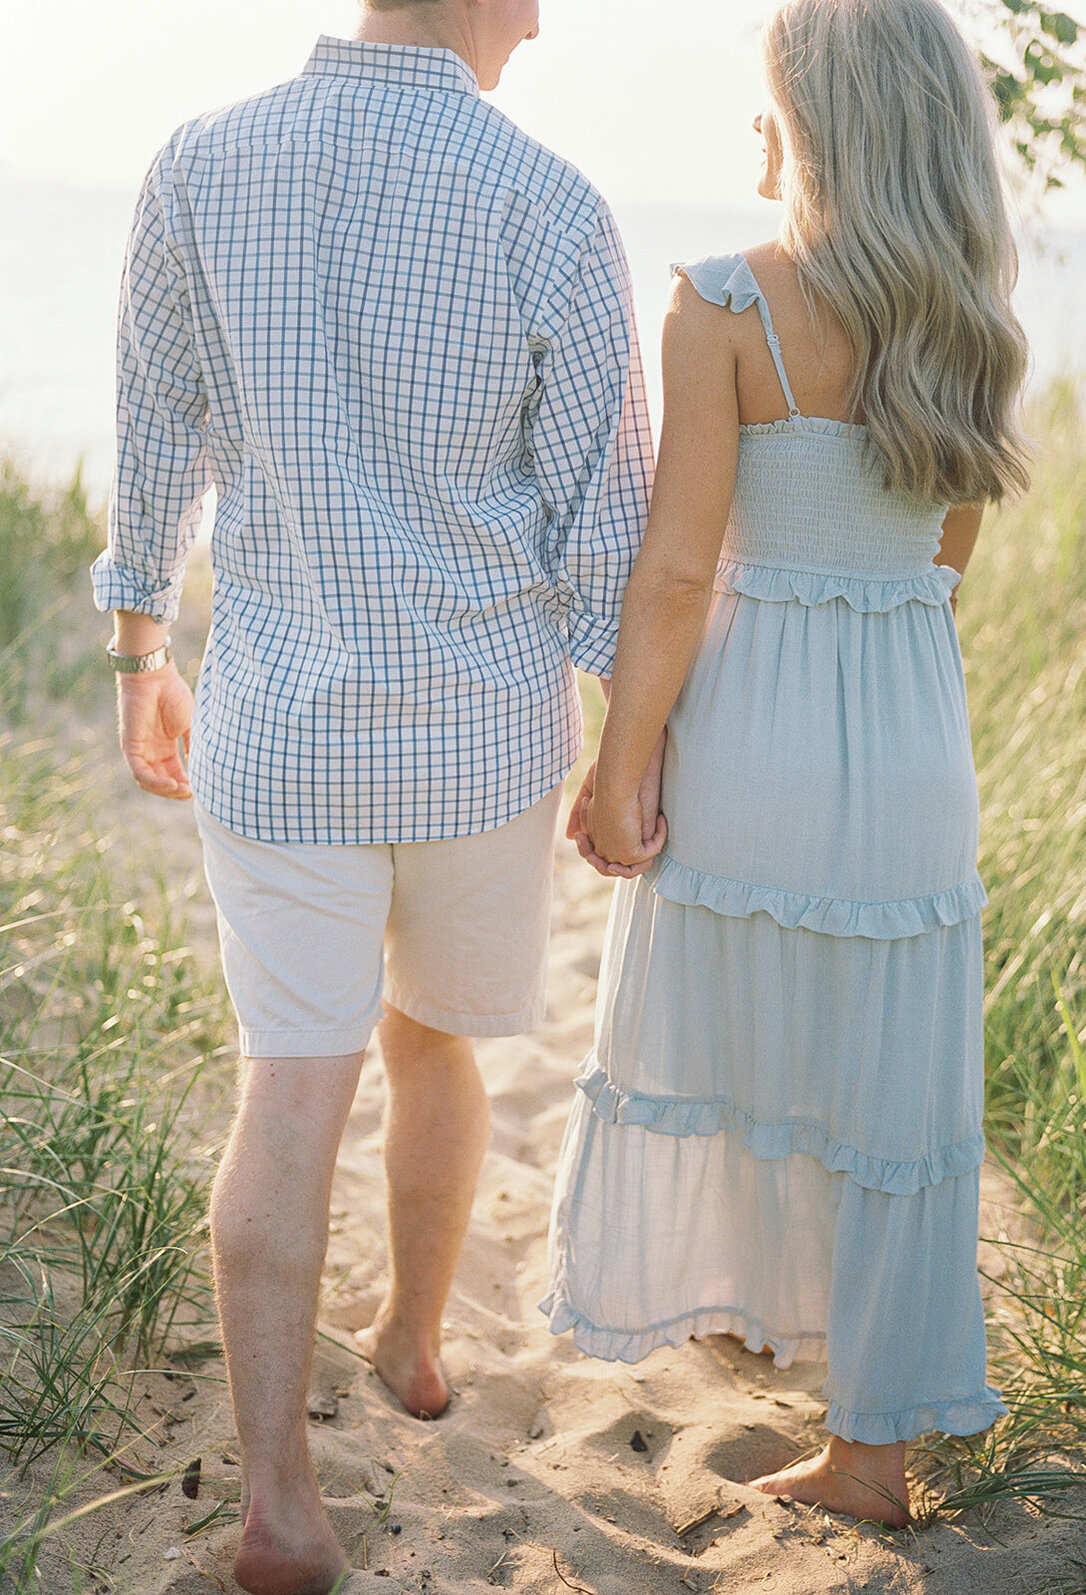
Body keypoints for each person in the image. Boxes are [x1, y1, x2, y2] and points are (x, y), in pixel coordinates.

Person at [91, 0, 653, 1588]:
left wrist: (143, 644)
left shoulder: (200, 162)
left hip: (277, 733)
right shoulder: (548, 199)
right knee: (436, 1050)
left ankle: (280, 1504)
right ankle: (411, 1343)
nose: (544, 23)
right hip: (481, 740)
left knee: (289, 1087)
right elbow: (602, 512)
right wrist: (627, 745)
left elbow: (153, 433)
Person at [542, 0, 1028, 1528]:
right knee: (891, 1097)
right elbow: (946, 560)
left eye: (769, 104)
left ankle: (752, 1308)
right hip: (906, 745)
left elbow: (679, 574)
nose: (755, 130)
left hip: (752, 730)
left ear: (816, 122)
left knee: (737, 1050)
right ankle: (871, 1456)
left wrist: (622, 759)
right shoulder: (976, 312)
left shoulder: (725, 304)